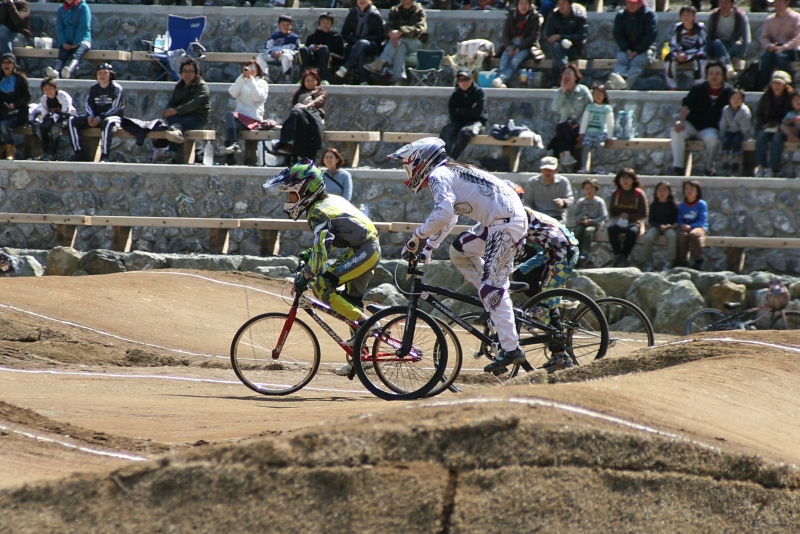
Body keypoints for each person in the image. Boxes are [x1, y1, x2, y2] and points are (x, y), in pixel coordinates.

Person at [388, 137, 529, 374]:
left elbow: (442, 213)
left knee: (491, 289)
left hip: (504, 224)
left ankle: (511, 347)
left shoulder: (437, 175)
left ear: (421, 162)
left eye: (407, 165)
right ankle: (495, 302)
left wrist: (417, 235)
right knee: (460, 251)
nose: (407, 171)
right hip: (499, 221)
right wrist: (429, 247)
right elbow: (451, 215)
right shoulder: (448, 172)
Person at [266, 160, 381, 376]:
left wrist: (306, 276)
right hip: (365, 249)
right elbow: (324, 246)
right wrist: (311, 256)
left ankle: (367, 325)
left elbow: (321, 253)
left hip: (364, 250)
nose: (288, 200)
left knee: (321, 286)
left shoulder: (318, 211)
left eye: (291, 194)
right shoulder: (329, 200)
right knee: (350, 302)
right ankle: (360, 356)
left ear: (305, 192)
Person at [512, 206, 579, 372]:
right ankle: (545, 308)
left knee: (543, 307)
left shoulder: (516, 216)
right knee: (520, 274)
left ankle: (560, 354)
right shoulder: (519, 212)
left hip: (563, 254)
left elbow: (512, 247)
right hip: (550, 252)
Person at [670, 61, 734, 176]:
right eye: (711, 73)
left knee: (713, 140)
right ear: (707, 75)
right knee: (676, 132)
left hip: (710, 128)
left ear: (723, 76)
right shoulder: (698, 88)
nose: (714, 76)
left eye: (717, 73)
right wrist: (681, 121)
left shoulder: (729, 92)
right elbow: (686, 106)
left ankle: (709, 168)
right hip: (692, 124)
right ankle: (678, 168)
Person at [66, 62, 121, 162]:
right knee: (72, 121)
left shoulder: (116, 88)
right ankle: (78, 152)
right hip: (95, 117)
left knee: (107, 123)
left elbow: (116, 108)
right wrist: (90, 115)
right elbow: (89, 104)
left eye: (105, 73)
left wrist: (100, 118)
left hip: (113, 118)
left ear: (110, 74)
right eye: (100, 73)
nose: (102, 75)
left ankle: (105, 155)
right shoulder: (93, 88)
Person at [363, 0, 426, 85]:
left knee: (399, 41)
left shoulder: (419, 10)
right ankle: (399, 79)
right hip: (397, 43)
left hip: (414, 44)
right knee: (400, 46)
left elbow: (420, 29)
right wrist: (391, 33)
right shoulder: (395, 10)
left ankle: (380, 61)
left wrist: (401, 32)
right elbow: (388, 27)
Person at [162, 57, 210, 164]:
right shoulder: (180, 86)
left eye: (190, 71)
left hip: (197, 118)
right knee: (173, 121)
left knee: (177, 124)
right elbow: (172, 102)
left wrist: (175, 111)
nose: (187, 74)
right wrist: (167, 111)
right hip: (181, 116)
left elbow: (194, 103)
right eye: (184, 71)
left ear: (196, 73)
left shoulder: (202, 86)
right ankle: (175, 132)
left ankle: (172, 153)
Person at [270, 68, 326, 161]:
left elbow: (318, 101)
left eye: (313, 80)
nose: (310, 82)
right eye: (307, 80)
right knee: (296, 113)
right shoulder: (298, 93)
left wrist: (307, 106)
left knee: (297, 112)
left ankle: (287, 144)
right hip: (299, 117)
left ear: (317, 81)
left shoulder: (321, 92)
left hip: (313, 114)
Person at [222, 59, 269, 166]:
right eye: (248, 68)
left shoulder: (262, 83)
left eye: (253, 68)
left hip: (253, 117)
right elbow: (232, 93)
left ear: (258, 70)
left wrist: (250, 80)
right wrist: (242, 78)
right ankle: (232, 148)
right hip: (240, 116)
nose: (251, 70)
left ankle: (230, 156)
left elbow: (257, 97)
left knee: (228, 125)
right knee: (229, 118)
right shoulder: (242, 81)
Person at [607, 0, 658, 91]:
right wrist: (627, 49)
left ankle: (623, 87)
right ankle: (618, 80)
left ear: (640, 3)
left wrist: (637, 51)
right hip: (627, 49)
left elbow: (651, 35)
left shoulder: (649, 14)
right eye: (629, 3)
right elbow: (618, 34)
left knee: (637, 62)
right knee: (622, 59)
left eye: (634, 3)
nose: (631, 5)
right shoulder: (621, 15)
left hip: (646, 49)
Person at [548, 63, 591, 169]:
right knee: (561, 127)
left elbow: (591, 108)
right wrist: (562, 92)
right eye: (564, 73)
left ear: (576, 77)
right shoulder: (559, 92)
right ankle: (566, 156)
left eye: (569, 73)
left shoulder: (583, 90)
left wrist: (580, 123)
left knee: (558, 138)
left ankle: (564, 156)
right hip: (566, 127)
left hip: (581, 127)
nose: (567, 76)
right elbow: (555, 108)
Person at [492, 0, 542, 89]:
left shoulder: (535, 17)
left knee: (516, 60)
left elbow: (533, 37)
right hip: (512, 44)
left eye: (526, 3)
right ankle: (502, 83)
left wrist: (519, 47)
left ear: (530, 5)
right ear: (517, 4)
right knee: (504, 58)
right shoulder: (512, 14)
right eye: (521, 3)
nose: (523, 6)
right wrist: (510, 47)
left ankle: (500, 79)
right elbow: (505, 34)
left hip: (527, 46)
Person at [439, 68, 487, 161]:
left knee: (464, 132)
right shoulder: (455, 96)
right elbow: (453, 115)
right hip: (460, 122)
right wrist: (469, 110)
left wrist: (460, 110)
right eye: (460, 80)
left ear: (471, 79)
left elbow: (478, 113)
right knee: (446, 130)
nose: (463, 83)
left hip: (477, 123)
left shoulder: (479, 93)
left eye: (466, 79)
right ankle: (445, 158)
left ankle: (452, 158)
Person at [754, 70, 793, 177]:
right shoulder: (766, 96)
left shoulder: (790, 98)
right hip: (767, 126)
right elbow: (759, 114)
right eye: (774, 83)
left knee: (777, 138)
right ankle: (760, 165)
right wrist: (763, 125)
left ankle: (773, 168)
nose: (776, 86)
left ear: (785, 85)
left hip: (783, 129)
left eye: (779, 83)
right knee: (761, 136)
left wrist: (785, 126)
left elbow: (793, 115)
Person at [336, 0, 385, 85]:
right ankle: (363, 81)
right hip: (356, 44)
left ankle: (345, 67)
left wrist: (363, 39)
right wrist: (355, 40)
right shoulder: (353, 13)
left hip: (373, 45)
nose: (362, 1)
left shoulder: (375, 15)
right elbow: (345, 33)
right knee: (361, 51)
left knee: (362, 43)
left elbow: (380, 36)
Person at [607, 167, 648, 268]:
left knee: (632, 232)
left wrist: (629, 216)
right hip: (619, 222)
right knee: (611, 230)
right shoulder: (616, 194)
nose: (625, 181)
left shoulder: (639, 194)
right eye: (623, 178)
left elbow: (644, 214)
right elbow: (611, 211)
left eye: (628, 178)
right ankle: (619, 255)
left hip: (634, 222)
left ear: (633, 180)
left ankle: (624, 256)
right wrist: (618, 216)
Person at [542, 0, 588, 88]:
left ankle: (556, 82)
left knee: (557, 56)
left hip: (574, 49)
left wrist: (561, 37)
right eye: (559, 3)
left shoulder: (579, 17)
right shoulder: (554, 16)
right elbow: (550, 36)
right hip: (558, 49)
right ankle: (569, 79)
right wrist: (559, 41)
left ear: (570, 4)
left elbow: (581, 38)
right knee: (556, 48)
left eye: (564, 3)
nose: (561, 6)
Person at [757, 0, 800, 91]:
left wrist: (784, 47)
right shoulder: (770, 19)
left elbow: (798, 37)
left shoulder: (796, 17)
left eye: (779, 2)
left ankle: (789, 85)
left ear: (787, 2)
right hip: (775, 48)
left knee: (780, 56)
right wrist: (769, 46)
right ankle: (763, 86)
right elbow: (764, 37)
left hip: (791, 49)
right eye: (775, 2)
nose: (777, 4)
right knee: (766, 57)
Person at [29, 77, 75, 161]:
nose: (48, 91)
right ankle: (45, 152)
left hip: (66, 117)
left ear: (55, 88)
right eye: (45, 89)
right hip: (52, 118)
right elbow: (44, 113)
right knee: (41, 128)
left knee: (55, 129)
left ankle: (53, 154)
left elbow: (66, 110)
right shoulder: (44, 99)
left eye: (50, 88)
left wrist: (54, 117)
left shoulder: (62, 95)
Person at [664, 6, 707, 91]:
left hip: (695, 51)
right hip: (681, 51)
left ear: (694, 16)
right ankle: (672, 85)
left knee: (702, 58)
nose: (686, 17)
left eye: (689, 15)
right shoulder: (678, 27)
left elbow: (702, 43)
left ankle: (698, 85)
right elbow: (673, 42)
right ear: (680, 17)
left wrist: (690, 53)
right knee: (669, 59)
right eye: (684, 15)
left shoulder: (699, 27)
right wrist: (679, 53)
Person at [45, 0, 91, 80]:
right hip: (67, 41)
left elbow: (83, 27)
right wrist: (64, 42)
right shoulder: (61, 9)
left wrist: (76, 43)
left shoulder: (83, 7)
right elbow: (60, 27)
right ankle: (56, 72)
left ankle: (68, 71)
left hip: (83, 40)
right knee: (62, 55)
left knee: (77, 54)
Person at [705, 0, 751, 79]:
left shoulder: (740, 16)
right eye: (721, 2)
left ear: (732, 3)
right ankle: (728, 66)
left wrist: (739, 56)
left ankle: (723, 63)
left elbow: (746, 39)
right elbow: (707, 36)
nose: (723, 5)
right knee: (716, 43)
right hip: (717, 44)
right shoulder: (714, 15)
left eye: (726, 2)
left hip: (732, 44)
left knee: (722, 52)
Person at [567, 177, 607, 267]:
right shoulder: (581, 201)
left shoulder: (599, 201)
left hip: (595, 224)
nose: (589, 191)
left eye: (591, 188)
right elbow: (576, 214)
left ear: (596, 190)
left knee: (588, 231)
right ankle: (575, 251)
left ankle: (585, 252)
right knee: (578, 231)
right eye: (586, 188)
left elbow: (604, 216)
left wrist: (592, 221)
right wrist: (578, 219)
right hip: (583, 223)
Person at [522, 156, 574, 223]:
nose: (547, 173)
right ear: (541, 170)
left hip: (557, 216)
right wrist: (529, 214)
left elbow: (570, 198)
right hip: (537, 216)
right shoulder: (532, 182)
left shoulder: (563, 182)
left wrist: (563, 202)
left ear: (556, 170)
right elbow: (527, 201)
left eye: (550, 170)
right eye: (545, 169)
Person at [641, 181, 678, 272]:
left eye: (664, 190)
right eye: (659, 190)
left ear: (669, 192)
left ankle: (669, 263)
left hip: (669, 227)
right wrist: (659, 226)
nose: (661, 193)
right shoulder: (654, 205)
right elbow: (651, 220)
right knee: (648, 238)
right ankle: (648, 262)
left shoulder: (672, 205)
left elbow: (676, 219)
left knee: (672, 237)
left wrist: (671, 226)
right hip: (657, 227)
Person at [576, 83, 614, 174]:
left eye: (600, 94)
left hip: (601, 133)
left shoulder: (607, 108)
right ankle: (584, 167)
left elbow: (610, 123)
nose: (598, 96)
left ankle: (601, 167)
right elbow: (585, 120)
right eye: (596, 94)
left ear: (604, 95)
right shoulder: (590, 107)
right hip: (590, 132)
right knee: (586, 146)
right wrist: (582, 133)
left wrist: (609, 136)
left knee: (600, 146)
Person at [298, 12, 345, 83]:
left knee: (323, 48)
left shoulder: (336, 37)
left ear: (331, 23)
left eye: (327, 22)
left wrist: (327, 52)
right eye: (323, 22)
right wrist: (313, 49)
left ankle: (325, 78)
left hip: (329, 61)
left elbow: (341, 57)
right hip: (314, 59)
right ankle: (303, 77)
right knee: (303, 49)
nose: (325, 24)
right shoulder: (313, 36)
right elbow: (306, 51)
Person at [0, 52, 27, 160]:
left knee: (4, 125)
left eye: (9, 63)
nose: (6, 65)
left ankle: (10, 149)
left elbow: (27, 97)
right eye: (4, 62)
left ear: (14, 65)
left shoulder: (21, 80)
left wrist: (15, 104)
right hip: (2, 111)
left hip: (17, 112)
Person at [676, 179, 708, 270]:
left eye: (692, 189)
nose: (689, 191)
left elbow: (702, 220)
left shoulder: (702, 204)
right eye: (687, 189)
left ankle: (698, 260)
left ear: (697, 191)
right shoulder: (682, 205)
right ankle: (683, 260)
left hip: (699, 227)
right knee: (682, 236)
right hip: (685, 228)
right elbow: (679, 219)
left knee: (693, 234)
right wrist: (682, 225)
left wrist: (691, 226)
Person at [719, 88, 751, 175]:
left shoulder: (745, 111)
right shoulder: (726, 109)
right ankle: (725, 161)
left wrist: (745, 136)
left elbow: (745, 125)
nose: (736, 100)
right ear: (729, 99)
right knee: (726, 140)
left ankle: (736, 162)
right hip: (729, 130)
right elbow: (723, 123)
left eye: (739, 98)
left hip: (740, 131)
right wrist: (722, 132)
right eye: (733, 98)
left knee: (737, 140)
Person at [258, 14, 300, 79]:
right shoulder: (274, 36)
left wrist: (283, 52)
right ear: (279, 25)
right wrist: (272, 52)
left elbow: (296, 51)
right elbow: (267, 48)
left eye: (287, 24)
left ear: (291, 25)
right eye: (283, 24)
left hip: (286, 56)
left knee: (286, 56)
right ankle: (266, 77)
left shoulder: (294, 38)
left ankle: (288, 78)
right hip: (273, 55)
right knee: (260, 57)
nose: (285, 26)